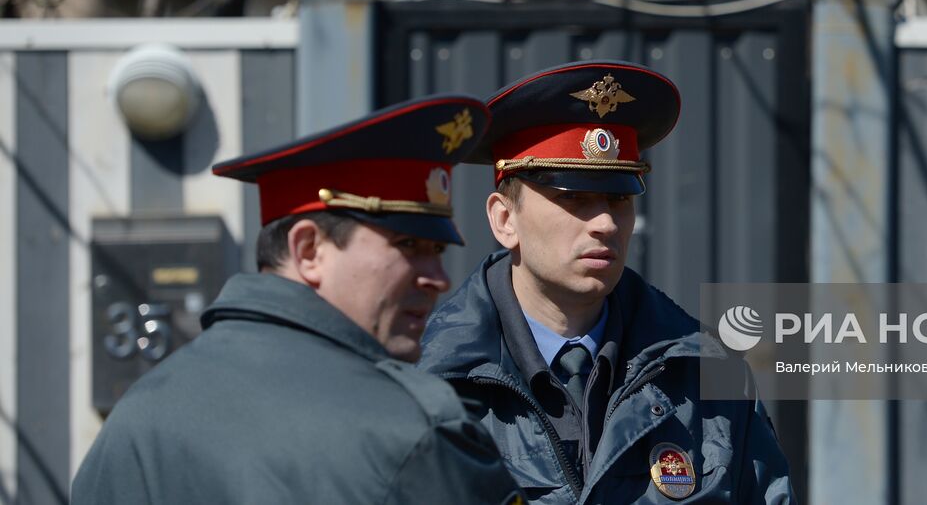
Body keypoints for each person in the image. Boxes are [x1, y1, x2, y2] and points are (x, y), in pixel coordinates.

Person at [72, 95, 523, 505]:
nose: (438, 279)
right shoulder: (413, 431)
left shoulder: (137, 418)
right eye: (409, 246)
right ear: (309, 251)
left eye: (438, 251)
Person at [419, 61, 793, 504]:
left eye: (618, 198)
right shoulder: (430, 384)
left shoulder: (709, 375)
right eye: (573, 198)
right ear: (505, 219)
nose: (604, 223)